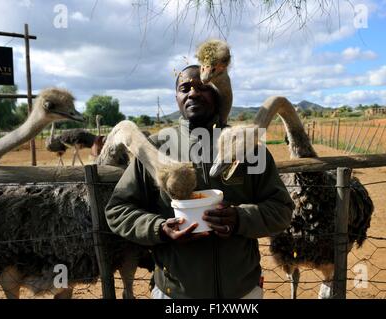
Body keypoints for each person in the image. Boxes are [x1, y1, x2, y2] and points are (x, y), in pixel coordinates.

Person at [105, 65, 294, 299]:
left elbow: (282, 210)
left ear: (217, 94)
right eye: (184, 88)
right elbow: (118, 210)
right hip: (175, 294)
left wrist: (240, 218)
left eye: (202, 87)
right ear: (177, 98)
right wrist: (160, 228)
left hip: (243, 293)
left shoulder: (248, 148)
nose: (193, 93)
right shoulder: (155, 148)